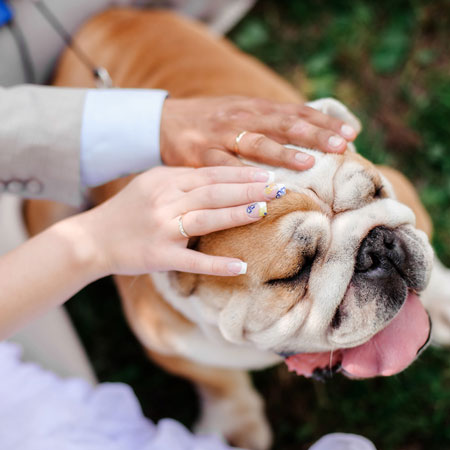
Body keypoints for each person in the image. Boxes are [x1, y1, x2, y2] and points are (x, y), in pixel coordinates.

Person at [0, 1, 377, 449]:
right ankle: (228, 394)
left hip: (115, 60)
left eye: (372, 196)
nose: (372, 260)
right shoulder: (162, 317)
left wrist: (153, 123)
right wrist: (96, 243)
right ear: (179, 270)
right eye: (298, 268)